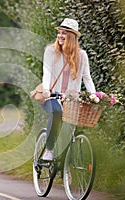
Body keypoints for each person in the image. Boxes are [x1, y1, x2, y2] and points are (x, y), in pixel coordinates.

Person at [41, 18, 96, 161]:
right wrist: (46, 90)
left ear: (71, 37)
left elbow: (87, 78)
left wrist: (94, 96)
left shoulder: (82, 56)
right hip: (51, 96)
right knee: (57, 112)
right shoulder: (50, 52)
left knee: (68, 132)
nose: (60, 35)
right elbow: (46, 73)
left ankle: (65, 168)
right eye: (59, 32)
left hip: (71, 100)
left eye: (64, 33)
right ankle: (49, 149)